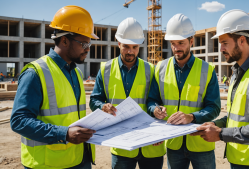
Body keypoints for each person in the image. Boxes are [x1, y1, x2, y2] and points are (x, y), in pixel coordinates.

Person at [191, 9, 249, 169]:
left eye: (224, 43)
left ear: (242, 40)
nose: (221, 49)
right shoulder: (237, 74)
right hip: (240, 159)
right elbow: (237, 118)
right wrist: (212, 125)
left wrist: (221, 134)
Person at [10, 5, 99, 169]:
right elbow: (19, 121)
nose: (87, 50)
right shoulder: (35, 73)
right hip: (48, 163)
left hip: (78, 158)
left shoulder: (76, 73)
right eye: (84, 44)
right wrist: (63, 134)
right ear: (65, 40)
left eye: (89, 45)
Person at [89, 17, 165, 169]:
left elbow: (157, 101)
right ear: (118, 43)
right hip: (121, 143)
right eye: (126, 46)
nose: (131, 51)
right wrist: (103, 107)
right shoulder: (105, 70)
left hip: (150, 142)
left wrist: (158, 111)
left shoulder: (151, 69)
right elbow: (94, 100)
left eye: (135, 47)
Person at [147, 13, 220, 169]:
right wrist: (155, 109)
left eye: (181, 43)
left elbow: (214, 107)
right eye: (173, 43)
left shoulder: (207, 70)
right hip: (174, 143)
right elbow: (152, 99)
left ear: (191, 41)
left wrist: (192, 117)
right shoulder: (160, 68)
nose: (176, 48)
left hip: (201, 143)